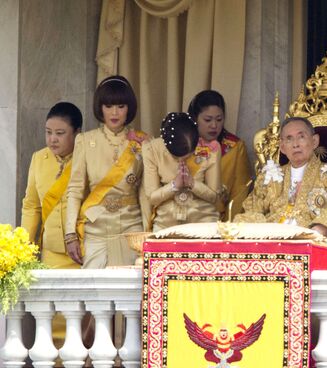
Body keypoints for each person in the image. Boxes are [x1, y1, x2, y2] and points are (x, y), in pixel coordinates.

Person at [65, 75, 149, 268]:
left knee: (130, 293)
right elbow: (75, 190)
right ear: (100, 108)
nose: (114, 112)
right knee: (93, 293)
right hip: (96, 228)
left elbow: (145, 193)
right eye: (108, 106)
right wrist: (70, 234)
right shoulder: (84, 141)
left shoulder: (142, 142)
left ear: (129, 108)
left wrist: (148, 231)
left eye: (121, 106)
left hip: (131, 228)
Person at [234, 117, 327, 238]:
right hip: (271, 241)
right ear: (282, 147)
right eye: (289, 139)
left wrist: (318, 231)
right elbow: (251, 210)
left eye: (301, 137)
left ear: (314, 141)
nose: (295, 144)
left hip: (311, 242)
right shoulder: (270, 178)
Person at [21, 102, 83, 269]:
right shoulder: (39, 158)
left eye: (60, 133)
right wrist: (24, 247)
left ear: (77, 133)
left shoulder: (87, 157)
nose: (52, 139)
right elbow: (31, 207)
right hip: (52, 252)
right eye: (48, 132)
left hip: (83, 250)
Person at [142, 112, 222, 232]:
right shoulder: (152, 149)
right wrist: (174, 185)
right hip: (166, 223)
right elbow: (152, 197)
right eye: (176, 157)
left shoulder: (210, 149)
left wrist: (193, 183)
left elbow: (214, 197)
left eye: (188, 155)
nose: (182, 160)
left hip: (203, 222)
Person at [188, 90, 252, 220]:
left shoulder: (234, 147)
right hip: (184, 217)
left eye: (219, 119)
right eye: (207, 120)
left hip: (218, 220)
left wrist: (229, 227)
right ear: (195, 119)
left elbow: (240, 192)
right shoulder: (184, 145)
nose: (214, 125)